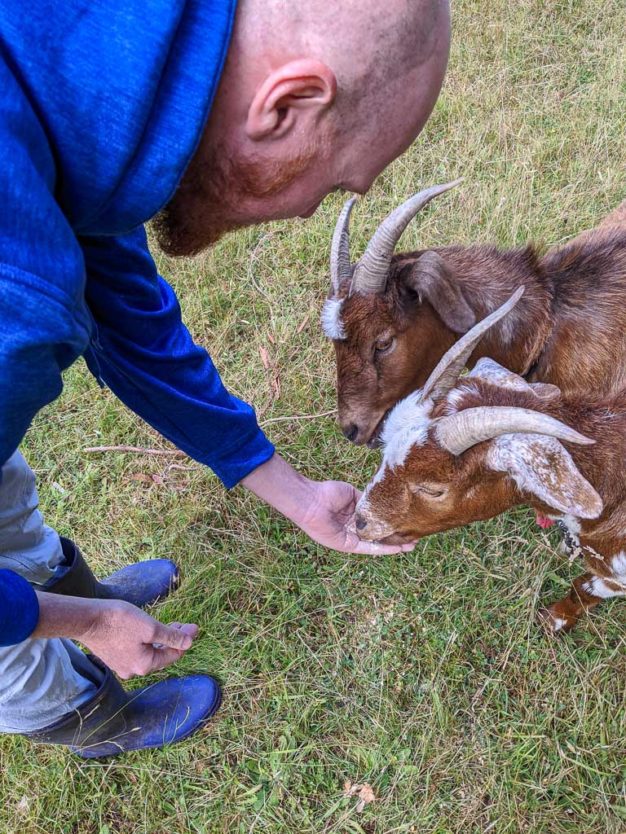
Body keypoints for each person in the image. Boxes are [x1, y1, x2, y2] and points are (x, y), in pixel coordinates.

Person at [0, 0, 450, 757]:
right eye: (338, 183)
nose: (310, 210)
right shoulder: (15, 295)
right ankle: (63, 708)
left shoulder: (81, 100)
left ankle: (52, 579)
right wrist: (83, 626)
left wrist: (296, 494)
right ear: (287, 105)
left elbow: (130, 323)